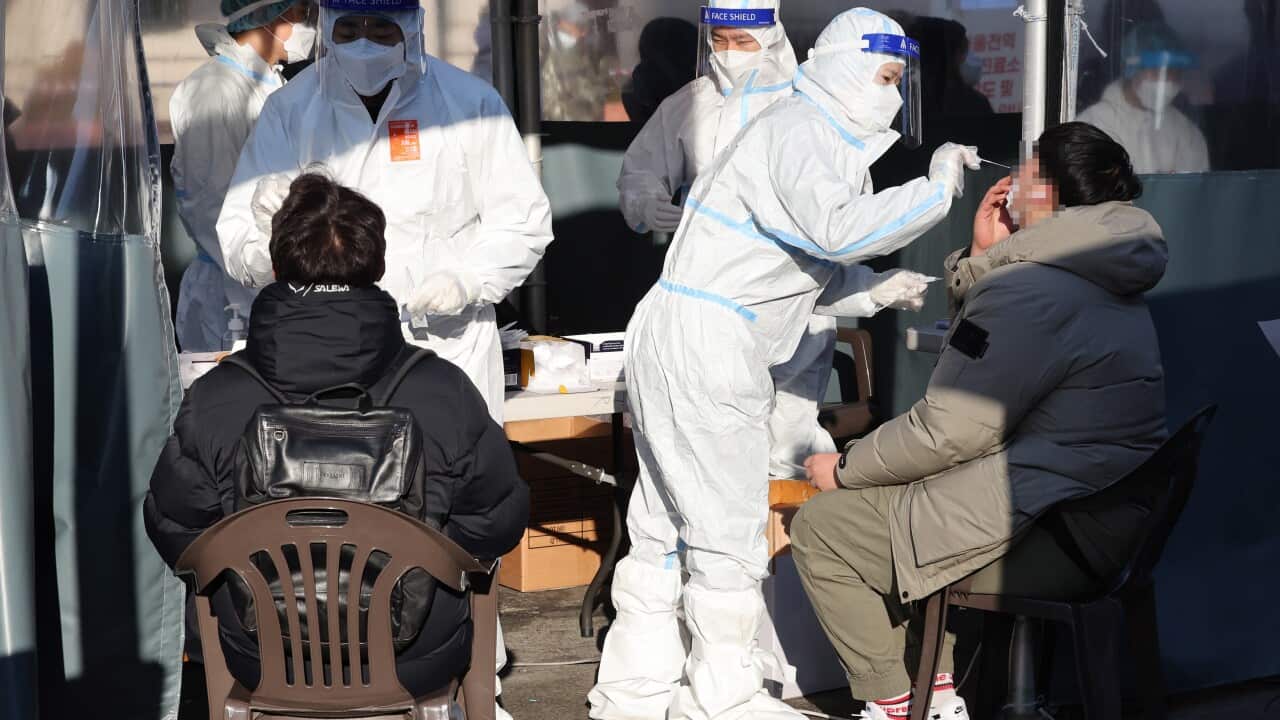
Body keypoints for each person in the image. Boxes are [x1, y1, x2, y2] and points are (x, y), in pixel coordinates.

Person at [589, 8, 979, 720]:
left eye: (898, 80)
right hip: (710, 343)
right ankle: (723, 697)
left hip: (686, 329)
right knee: (725, 528)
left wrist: (871, 289)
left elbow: (789, 261)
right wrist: (936, 188)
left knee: (665, 520)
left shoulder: (799, 131)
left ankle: (635, 692)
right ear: (839, 69)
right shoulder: (802, 131)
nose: (888, 94)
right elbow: (834, 230)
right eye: (881, 77)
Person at [790, 122, 1168, 720]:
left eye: (1023, 172)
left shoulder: (1036, 288)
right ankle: (934, 693)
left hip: (1054, 527)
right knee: (905, 499)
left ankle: (897, 701)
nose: (1008, 182)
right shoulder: (1103, 268)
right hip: (1102, 513)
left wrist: (843, 466)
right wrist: (982, 261)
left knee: (825, 526)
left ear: (1042, 193)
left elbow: (951, 429)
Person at [145, 172, 528, 698]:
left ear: (276, 269)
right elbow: (498, 522)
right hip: (412, 658)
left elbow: (174, 528)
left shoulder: (217, 398)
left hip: (262, 659)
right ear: (379, 267)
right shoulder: (441, 390)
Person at [615, 0, 929, 484]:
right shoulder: (694, 102)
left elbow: (838, 223)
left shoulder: (814, 106)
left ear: (772, 34)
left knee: (790, 442)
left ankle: (784, 551)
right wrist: (646, 202)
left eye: (743, 41)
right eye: (718, 41)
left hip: (799, 303)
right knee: (708, 467)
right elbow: (639, 171)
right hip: (720, 301)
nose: (729, 52)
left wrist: (864, 284)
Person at [216, 0, 553, 425]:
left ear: (412, 28)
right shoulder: (291, 110)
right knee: (339, 483)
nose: (363, 44)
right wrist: (273, 250)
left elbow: (523, 221)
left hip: (445, 347)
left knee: (451, 476)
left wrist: (467, 281)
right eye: (348, 30)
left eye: (380, 30)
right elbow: (235, 236)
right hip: (328, 352)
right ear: (328, 28)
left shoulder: (468, 105)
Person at [170, 0, 316, 352]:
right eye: (301, 14)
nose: (308, 26)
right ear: (269, 15)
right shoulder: (215, 91)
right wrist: (266, 272)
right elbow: (212, 207)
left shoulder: (267, 83)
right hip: (231, 296)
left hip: (270, 284)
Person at [1078, 22, 1209, 174]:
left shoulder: (1187, 133)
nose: (1167, 80)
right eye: (1156, 71)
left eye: (1174, 72)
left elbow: (1195, 193)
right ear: (1132, 69)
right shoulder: (1093, 125)